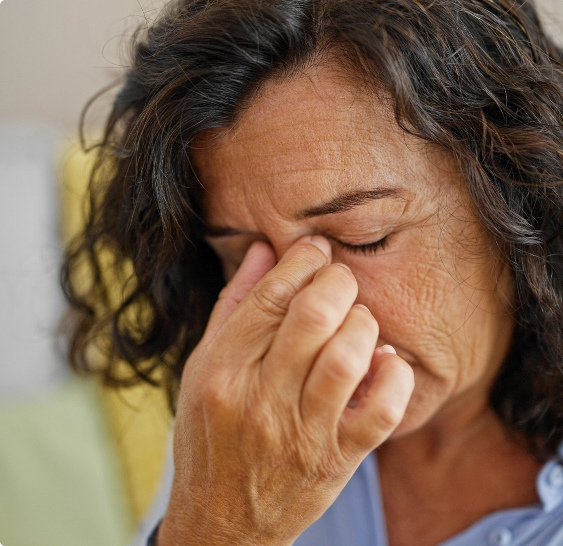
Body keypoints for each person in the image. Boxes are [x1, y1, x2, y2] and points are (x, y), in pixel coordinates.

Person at [62, 0, 563, 544]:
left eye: (363, 239)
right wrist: (219, 523)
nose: (307, 309)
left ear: (521, 199)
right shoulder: (243, 412)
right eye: (245, 256)